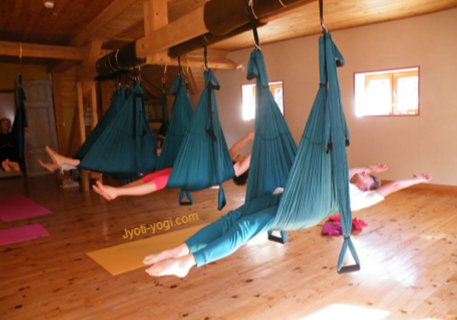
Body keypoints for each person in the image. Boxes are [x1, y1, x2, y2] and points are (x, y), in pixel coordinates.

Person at [142, 163, 432, 278]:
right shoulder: (345, 178)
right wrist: (365, 166)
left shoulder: (363, 197)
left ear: (369, 185)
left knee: (244, 228)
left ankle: (189, 262)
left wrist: (416, 180)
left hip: (298, 212)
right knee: (235, 216)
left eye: (368, 176)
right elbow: (348, 167)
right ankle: (181, 249)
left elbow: (391, 187)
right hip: (284, 197)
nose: (364, 174)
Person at [37, 132, 255, 200]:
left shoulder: (233, 169)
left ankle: (117, 193)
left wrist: (263, 140)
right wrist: (250, 136)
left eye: (241, 158)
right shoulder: (227, 160)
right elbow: (236, 147)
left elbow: (248, 159)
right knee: (154, 176)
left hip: (197, 178)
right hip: (189, 169)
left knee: (160, 181)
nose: (240, 156)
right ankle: (116, 191)